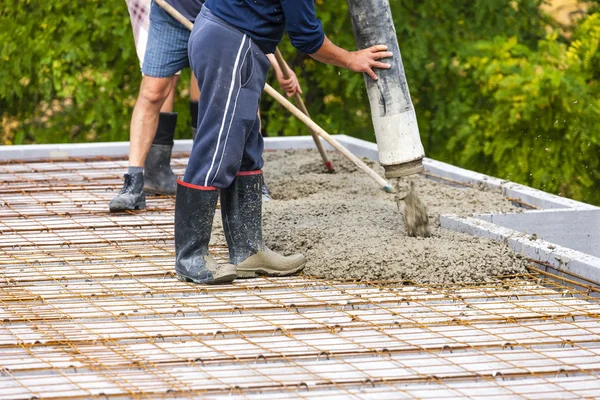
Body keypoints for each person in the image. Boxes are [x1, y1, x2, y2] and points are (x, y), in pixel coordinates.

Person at [175, 0, 392, 284]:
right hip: (229, 42)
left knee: (246, 151)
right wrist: (352, 59)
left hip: (234, 40)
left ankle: (249, 252)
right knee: (218, 148)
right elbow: (307, 37)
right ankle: (191, 257)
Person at [111, 0, 300, 212]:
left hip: (222, 20)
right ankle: (133, 183)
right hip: (170, 16)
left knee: (242, 91)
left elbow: (254, 15)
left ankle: (250, 183)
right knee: (153, 93)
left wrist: (279, 67)